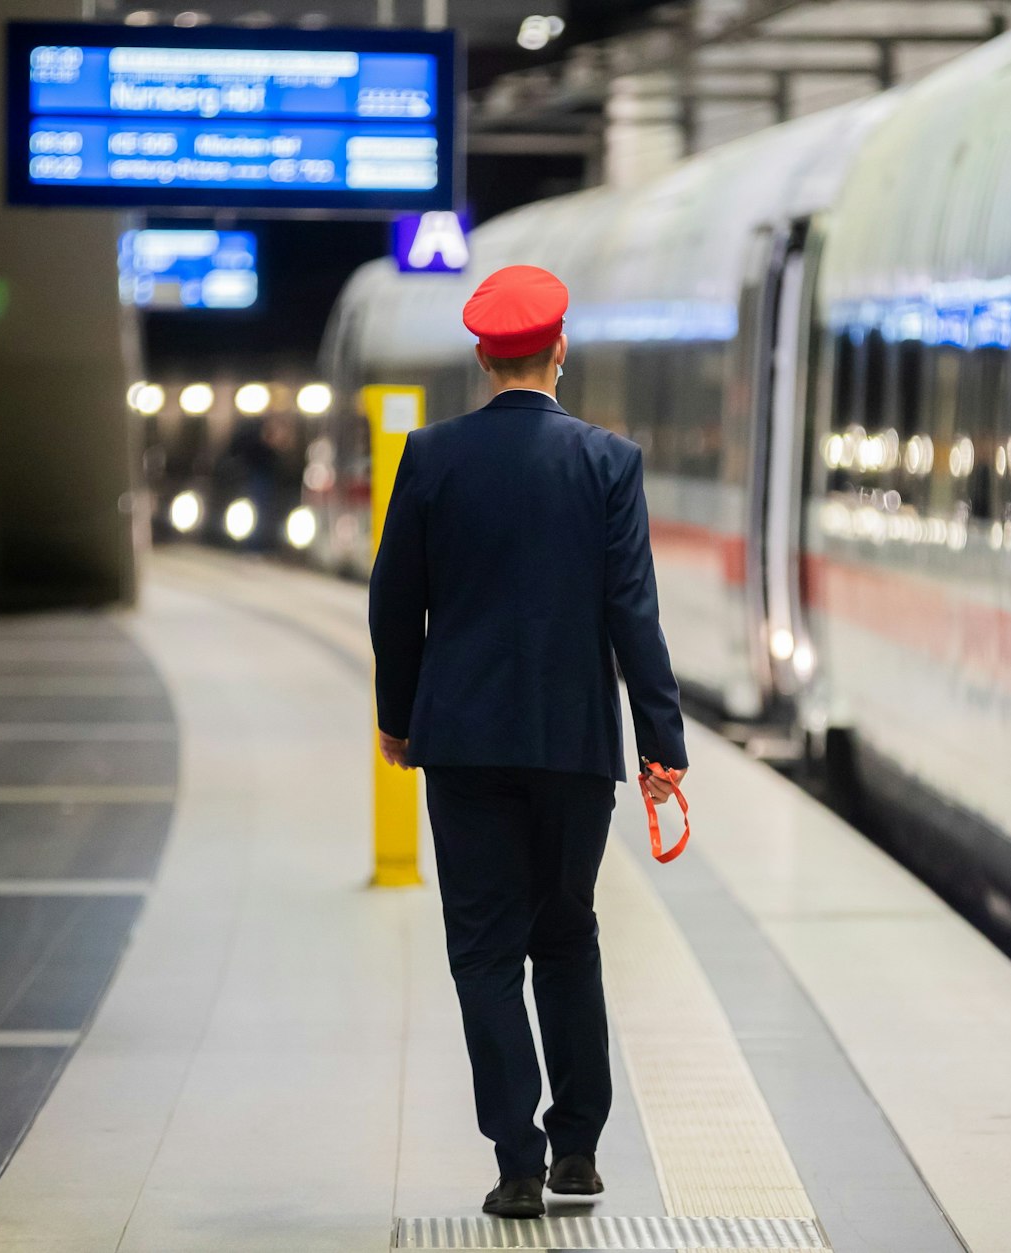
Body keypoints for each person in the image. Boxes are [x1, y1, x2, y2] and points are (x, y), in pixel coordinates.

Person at [368, 264, 689, 1219]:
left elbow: (396, 604)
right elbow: (634, 613)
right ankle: (578, 1147)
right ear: (559, 352)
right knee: (567, 931)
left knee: (483, 951)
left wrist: (399, 715)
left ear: (481, 357)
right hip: (573, 748)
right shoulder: (607, 463)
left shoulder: (429, 457)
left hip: (462, 744)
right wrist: (659, 743)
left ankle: (516, 1161)